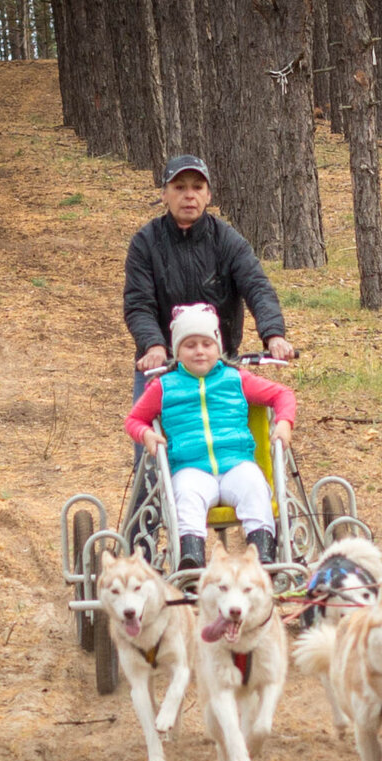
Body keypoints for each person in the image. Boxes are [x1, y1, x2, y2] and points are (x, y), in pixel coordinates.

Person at [124, 304, 296, 571]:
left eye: (206, 343)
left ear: (218, 347)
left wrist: (284, 423)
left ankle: (262, 554)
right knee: (186, 496)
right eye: (190, 345)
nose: (200, 351)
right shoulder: (164, 386)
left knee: (255, 487)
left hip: (236, 463)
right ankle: (191, 559)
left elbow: (282, 395)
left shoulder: (235, 378)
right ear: (177, 352)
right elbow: (134, 419)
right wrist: (146, 434)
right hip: (191, 467)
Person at [123, 154, 295, 408]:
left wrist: (274, 335)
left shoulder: (228, 240)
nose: (189, 195)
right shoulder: (145, 243)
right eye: (179, 187)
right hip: (163, 366)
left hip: (219, 366)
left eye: (197, 187)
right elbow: (139, 304)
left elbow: (257, 287)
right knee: (149, 440)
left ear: (209, 195)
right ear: (164, 195)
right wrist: (154, 346)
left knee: (237, 440)